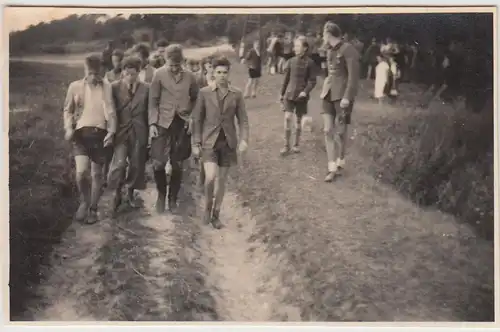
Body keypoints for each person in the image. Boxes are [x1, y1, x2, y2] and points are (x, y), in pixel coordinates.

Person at [192, 56, 249, 229]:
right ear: (213, 73)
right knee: (210, 177)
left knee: (222, 181)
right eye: (218, 72)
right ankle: (207, 209)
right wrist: (196, 143)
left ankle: (216, 214)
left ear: (228, 73)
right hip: (209, 142)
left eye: (225, 72)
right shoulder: (204, 93)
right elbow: (197, 120)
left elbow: (243, 120)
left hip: (228, 142)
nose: (222, 75)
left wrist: (244, 139)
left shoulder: (237, 94)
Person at [63, 54, 117, 224]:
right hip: (80, 135)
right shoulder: (75, 86)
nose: (94, 77)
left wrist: (112, 131)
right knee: (81, 173)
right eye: (90, 73)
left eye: (97, 73)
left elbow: (111, 110)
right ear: (85, 71)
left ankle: (93, 208)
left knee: (97, 174)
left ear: (101, 72)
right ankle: (85, 201)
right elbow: (68, 110)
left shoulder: (106, 87)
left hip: (100, 134)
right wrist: (68, 127)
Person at [148, 44, 199, 213]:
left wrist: (192, 117)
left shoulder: (190, 76)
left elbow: (196, 99)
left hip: (181, 123)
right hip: (162, 122)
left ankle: (173, 199)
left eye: (177, 65)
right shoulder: (158, 74)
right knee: (158, 163)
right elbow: (153, 101)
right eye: (171, 65)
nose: (174, 69)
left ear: (182, 62)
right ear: (165, 61)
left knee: (177, 164)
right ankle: (161, 196)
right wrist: (152, 124)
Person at [107, 56, 149, 216]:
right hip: (121, 131)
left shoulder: (147, 88)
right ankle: (116, 192)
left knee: (136, 164)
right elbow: (110, 110)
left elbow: (149, 110)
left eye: (133, 74)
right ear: (122, 73)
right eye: (127, 74)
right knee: (119, 164)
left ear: (139, 73)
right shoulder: (114, 87)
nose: (130, 77)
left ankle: (130, 191)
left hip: (139, 131)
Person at [319, 21, 360, 182]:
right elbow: (329, 73)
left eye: (323, 34)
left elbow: (353, 77)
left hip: (342, 97)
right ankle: (331, 167)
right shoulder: (329, 50)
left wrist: (347, 97)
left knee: (341, 132)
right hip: (327, 94)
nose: (322, 37)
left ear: (328, 34)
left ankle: (340, 160)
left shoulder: (348, 50)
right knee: (328, 130)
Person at [279, 36, 317, 155]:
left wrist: (305, 91)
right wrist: (281, 93)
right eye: (294, 46)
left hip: (301, 97)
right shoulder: (291, 61)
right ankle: (286, 145)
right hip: (289, 94)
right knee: (287, 117)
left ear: (305, 48)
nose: (295, 48)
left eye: (297, 46)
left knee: (298, 121)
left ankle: (296, 144)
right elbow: (286, 79)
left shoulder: (310, 63)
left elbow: (312, 81)